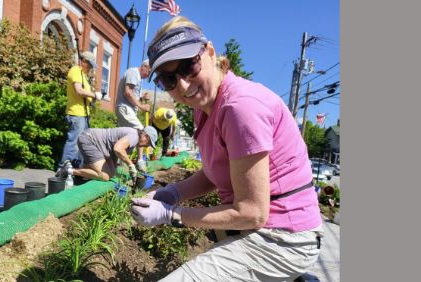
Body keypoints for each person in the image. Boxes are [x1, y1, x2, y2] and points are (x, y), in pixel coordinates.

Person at [128, 16, 323, 282]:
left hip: (284, 237)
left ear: (209, 52)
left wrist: (170, 214)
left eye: (188, 66)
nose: (183, 85)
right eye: (168, 80)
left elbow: (252, 213)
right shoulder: (204, 107)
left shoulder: (240, 107)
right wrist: (172, 193)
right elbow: (215, 172)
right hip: (259, 228)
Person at [58, 51, 99, 173]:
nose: (91, 67)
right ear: (84, 61)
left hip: (84, 114)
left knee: (82, 143)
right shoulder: (75, 71)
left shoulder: (84, 76)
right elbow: (79, 90)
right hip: (76, 113)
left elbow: (86, 96)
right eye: (89, 64)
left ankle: (75, 170)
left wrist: (94, 97)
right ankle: (62, 170)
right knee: (74, 142)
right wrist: (94, 94)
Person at [68, 127, 154, 182]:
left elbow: (115, 153)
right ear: (146, 136)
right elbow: (118, 149)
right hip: (90, 140)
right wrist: (131, 164)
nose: (147, 146)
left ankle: (78, 166)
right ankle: (69, 171)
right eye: (149, 143)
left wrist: (114, 169)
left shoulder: (135, 137)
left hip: (99, 147)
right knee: (105, 176)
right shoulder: (134, 137)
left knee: (112, 173)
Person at [117, 61, 153, 129]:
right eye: (149, 72)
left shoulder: (138, 77)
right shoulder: (133, 73)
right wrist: (142, 106)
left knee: (127, 134)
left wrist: (142, 98)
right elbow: (128, 92)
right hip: (125, 108)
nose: (148, 76)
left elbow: (132, 96)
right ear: (144, 67)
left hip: (129, 110)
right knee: (141, 132)